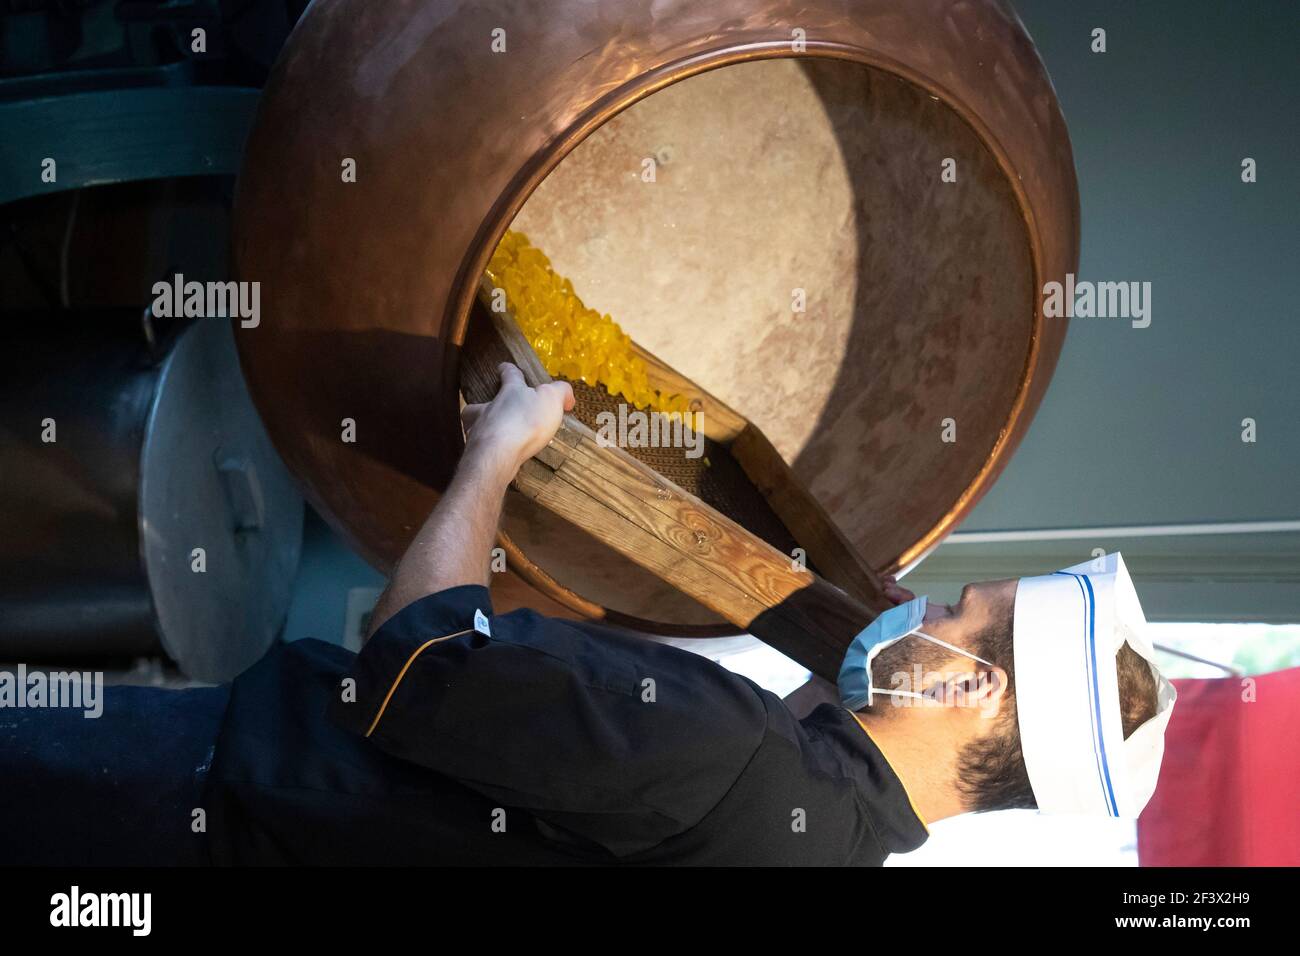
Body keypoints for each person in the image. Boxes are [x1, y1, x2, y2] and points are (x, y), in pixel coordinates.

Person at [0, 363, 1173, 865]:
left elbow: (412, 663)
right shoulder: (817, 837)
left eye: (959, 611)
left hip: (186, 801)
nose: (924, 604)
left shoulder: (739, 761)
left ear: (970, 688)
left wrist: (493, 457)